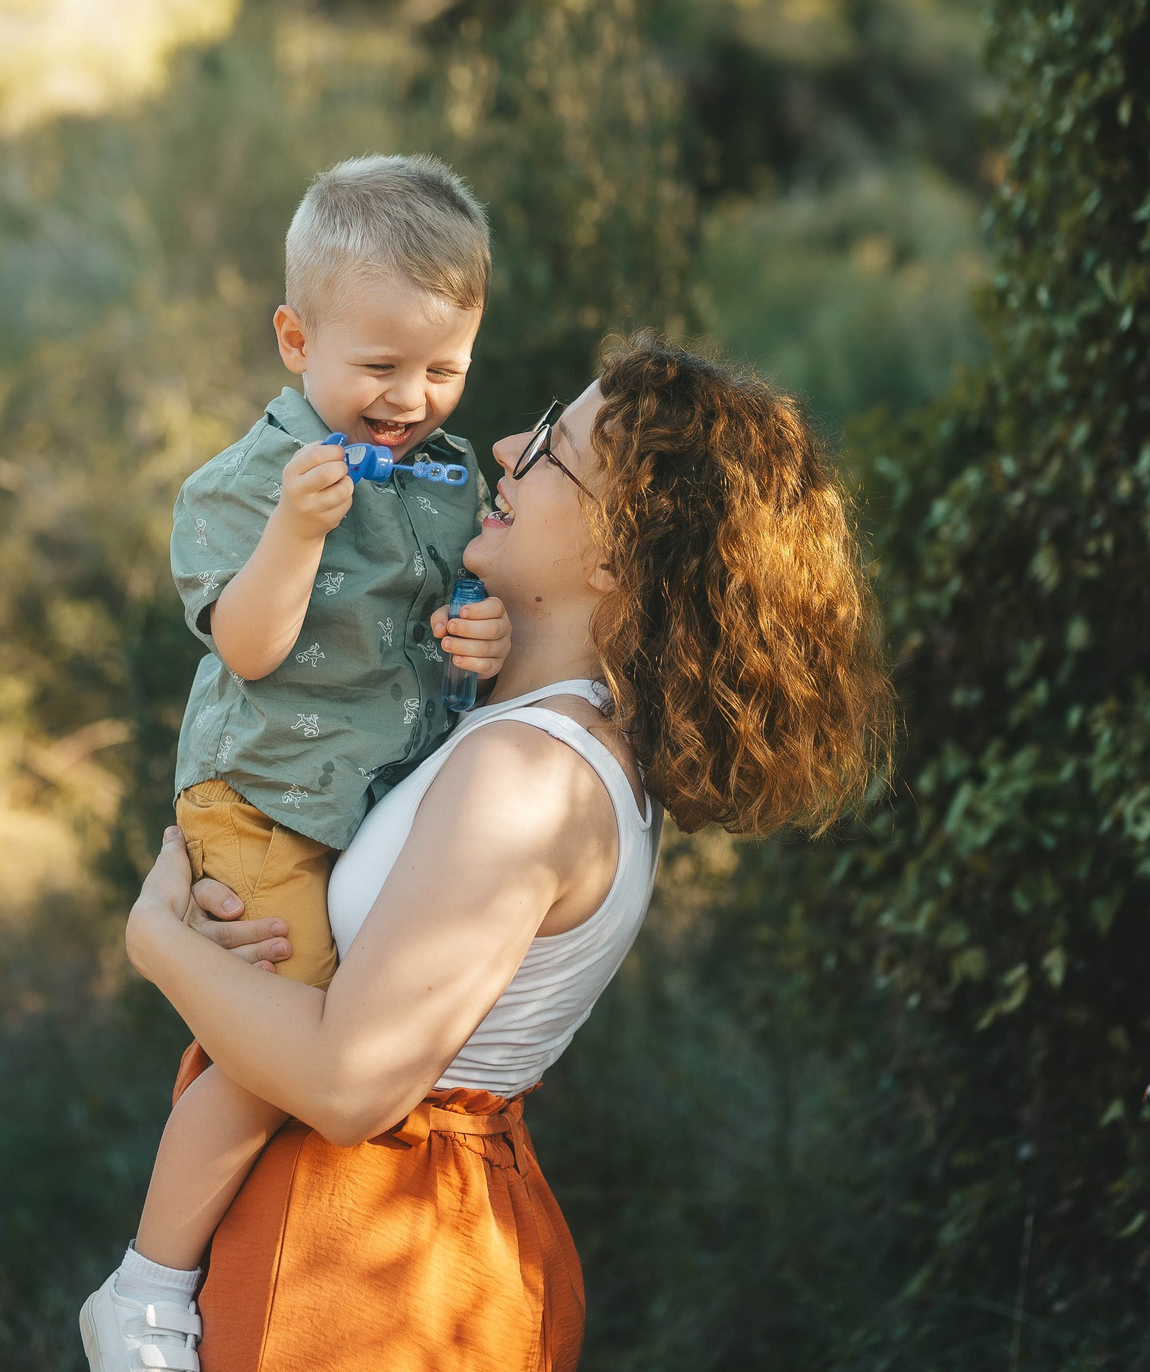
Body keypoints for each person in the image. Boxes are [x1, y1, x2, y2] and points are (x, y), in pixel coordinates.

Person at [119, 335, 895, 1371]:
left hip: (362, 1272)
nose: (502, 443)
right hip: (384, 1252)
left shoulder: (529, 775)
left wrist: (159, 943)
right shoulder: (522, 728)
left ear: (617, 553)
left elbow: (351, 1083)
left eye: (550, 450)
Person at [79, 156, 515, 1370]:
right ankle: (146, 1288)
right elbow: (249, 646)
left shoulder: (452, 476)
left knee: (335, 1030)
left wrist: (484, 637)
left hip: (376, 810)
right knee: (293, 1035)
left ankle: (280, 1271)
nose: (409, 398)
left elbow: (456, 625)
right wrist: (296, 530)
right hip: (265, 801)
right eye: (378, 368)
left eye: (443, 369)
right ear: (293, 337)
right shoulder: (239, 488)